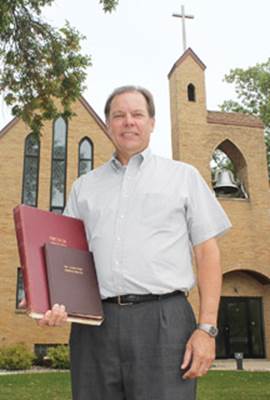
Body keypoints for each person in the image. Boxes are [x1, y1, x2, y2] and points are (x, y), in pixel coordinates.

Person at [37, 86, 232, 400]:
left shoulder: (183, 177)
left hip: (164, 322)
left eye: (137, 114)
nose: (129, 122)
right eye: (119, 115)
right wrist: (53, 302)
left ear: (152, 122)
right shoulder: (83, 188)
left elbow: (207, 253)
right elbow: (66, 256)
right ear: (107, 125)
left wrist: (207, 328)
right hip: (94, 324)